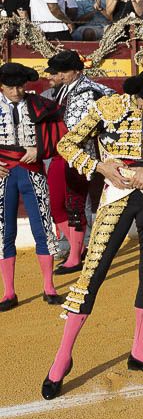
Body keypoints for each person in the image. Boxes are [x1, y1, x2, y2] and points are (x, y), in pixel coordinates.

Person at [42, 67, 143, 399]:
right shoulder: (109, 107)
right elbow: (67, 144)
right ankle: (62, 358)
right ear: (137, 94)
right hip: (117, 197)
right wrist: (100, 166)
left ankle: (139, 352)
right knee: (93, 273)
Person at [0, 64, 64, 313]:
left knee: (43, 228)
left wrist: (40, 150)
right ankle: (9, 292)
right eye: (11, 87)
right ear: (2, 86)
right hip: (4, 173)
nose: (17, 91)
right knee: (4, 231)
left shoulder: (39, 105)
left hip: (33, 170)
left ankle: (49, 287)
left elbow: (59, 131)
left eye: (21, 86)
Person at [44, 51, 113, 276]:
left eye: (64, 71)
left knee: (75, 206)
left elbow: (77, 126)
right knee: (55, 205)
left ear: (77, 71)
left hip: (79, 154)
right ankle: (79, 247)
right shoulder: (66, 87)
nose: (60, 75)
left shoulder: (89, 90)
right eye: (59, 71)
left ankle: (74, 258)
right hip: (60, 152)